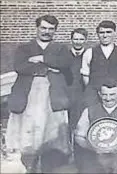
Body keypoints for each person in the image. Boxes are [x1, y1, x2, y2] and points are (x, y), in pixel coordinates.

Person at [7, 15, 72, 173]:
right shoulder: (24, 48)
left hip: (52, 95)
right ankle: (29, 166)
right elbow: (20, 67)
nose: (46, 32)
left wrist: (42, 58)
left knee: (51, 135)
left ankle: (49, 167)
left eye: (51, 29)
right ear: (37, 28)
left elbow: (65, 63)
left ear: (55, 31)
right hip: (29, 95)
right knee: (29, 135)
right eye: (43, 28)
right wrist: (49, 68)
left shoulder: (61, 49)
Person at [74, 78, 117, 173]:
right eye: (105, 94)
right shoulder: (88, 111)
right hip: (96, 154)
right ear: (99, 94)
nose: (108, 98)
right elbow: (79, 136)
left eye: (112, 94)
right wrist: (91, 147)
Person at [80, 20, 117, 107]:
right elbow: (85, 76)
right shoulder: (89, 52)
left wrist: (115, 91)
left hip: (115, 95)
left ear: (114, 33)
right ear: (98, 34)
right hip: (94, 94)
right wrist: (93, 90)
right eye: (101, 32)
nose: (105, 35)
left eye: (108, 32)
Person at [67, 28, 88, 131]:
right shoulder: (65, 55)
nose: (78, 42)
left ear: (85, 40)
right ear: (71, 40)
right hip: (67, 92)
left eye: (81, 39)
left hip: (83, 92)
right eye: (75, 39)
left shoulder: (89, 55)